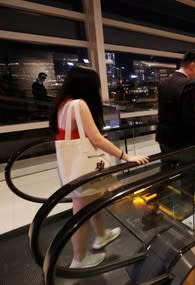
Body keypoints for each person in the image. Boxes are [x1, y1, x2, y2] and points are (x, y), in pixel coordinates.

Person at [49, 65, 149, 269]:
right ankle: (79, 259)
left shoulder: (63, 104)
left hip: (74, 167)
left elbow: (77, 135)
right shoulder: (79, 104)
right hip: (83, 170)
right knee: (81, 214)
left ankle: (101, 236)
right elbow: (96, 139)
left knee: (93, 201)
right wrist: (126, 156)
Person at [155, 51, 195, 214]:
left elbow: (164, 114)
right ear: (192, 65)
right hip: (183, 144)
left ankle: (159, 206)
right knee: (188, 178)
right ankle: (186, 212)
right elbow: (189, 120)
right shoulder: (188, 85)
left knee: (165, 174)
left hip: (164, 140)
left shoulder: (164, 83)